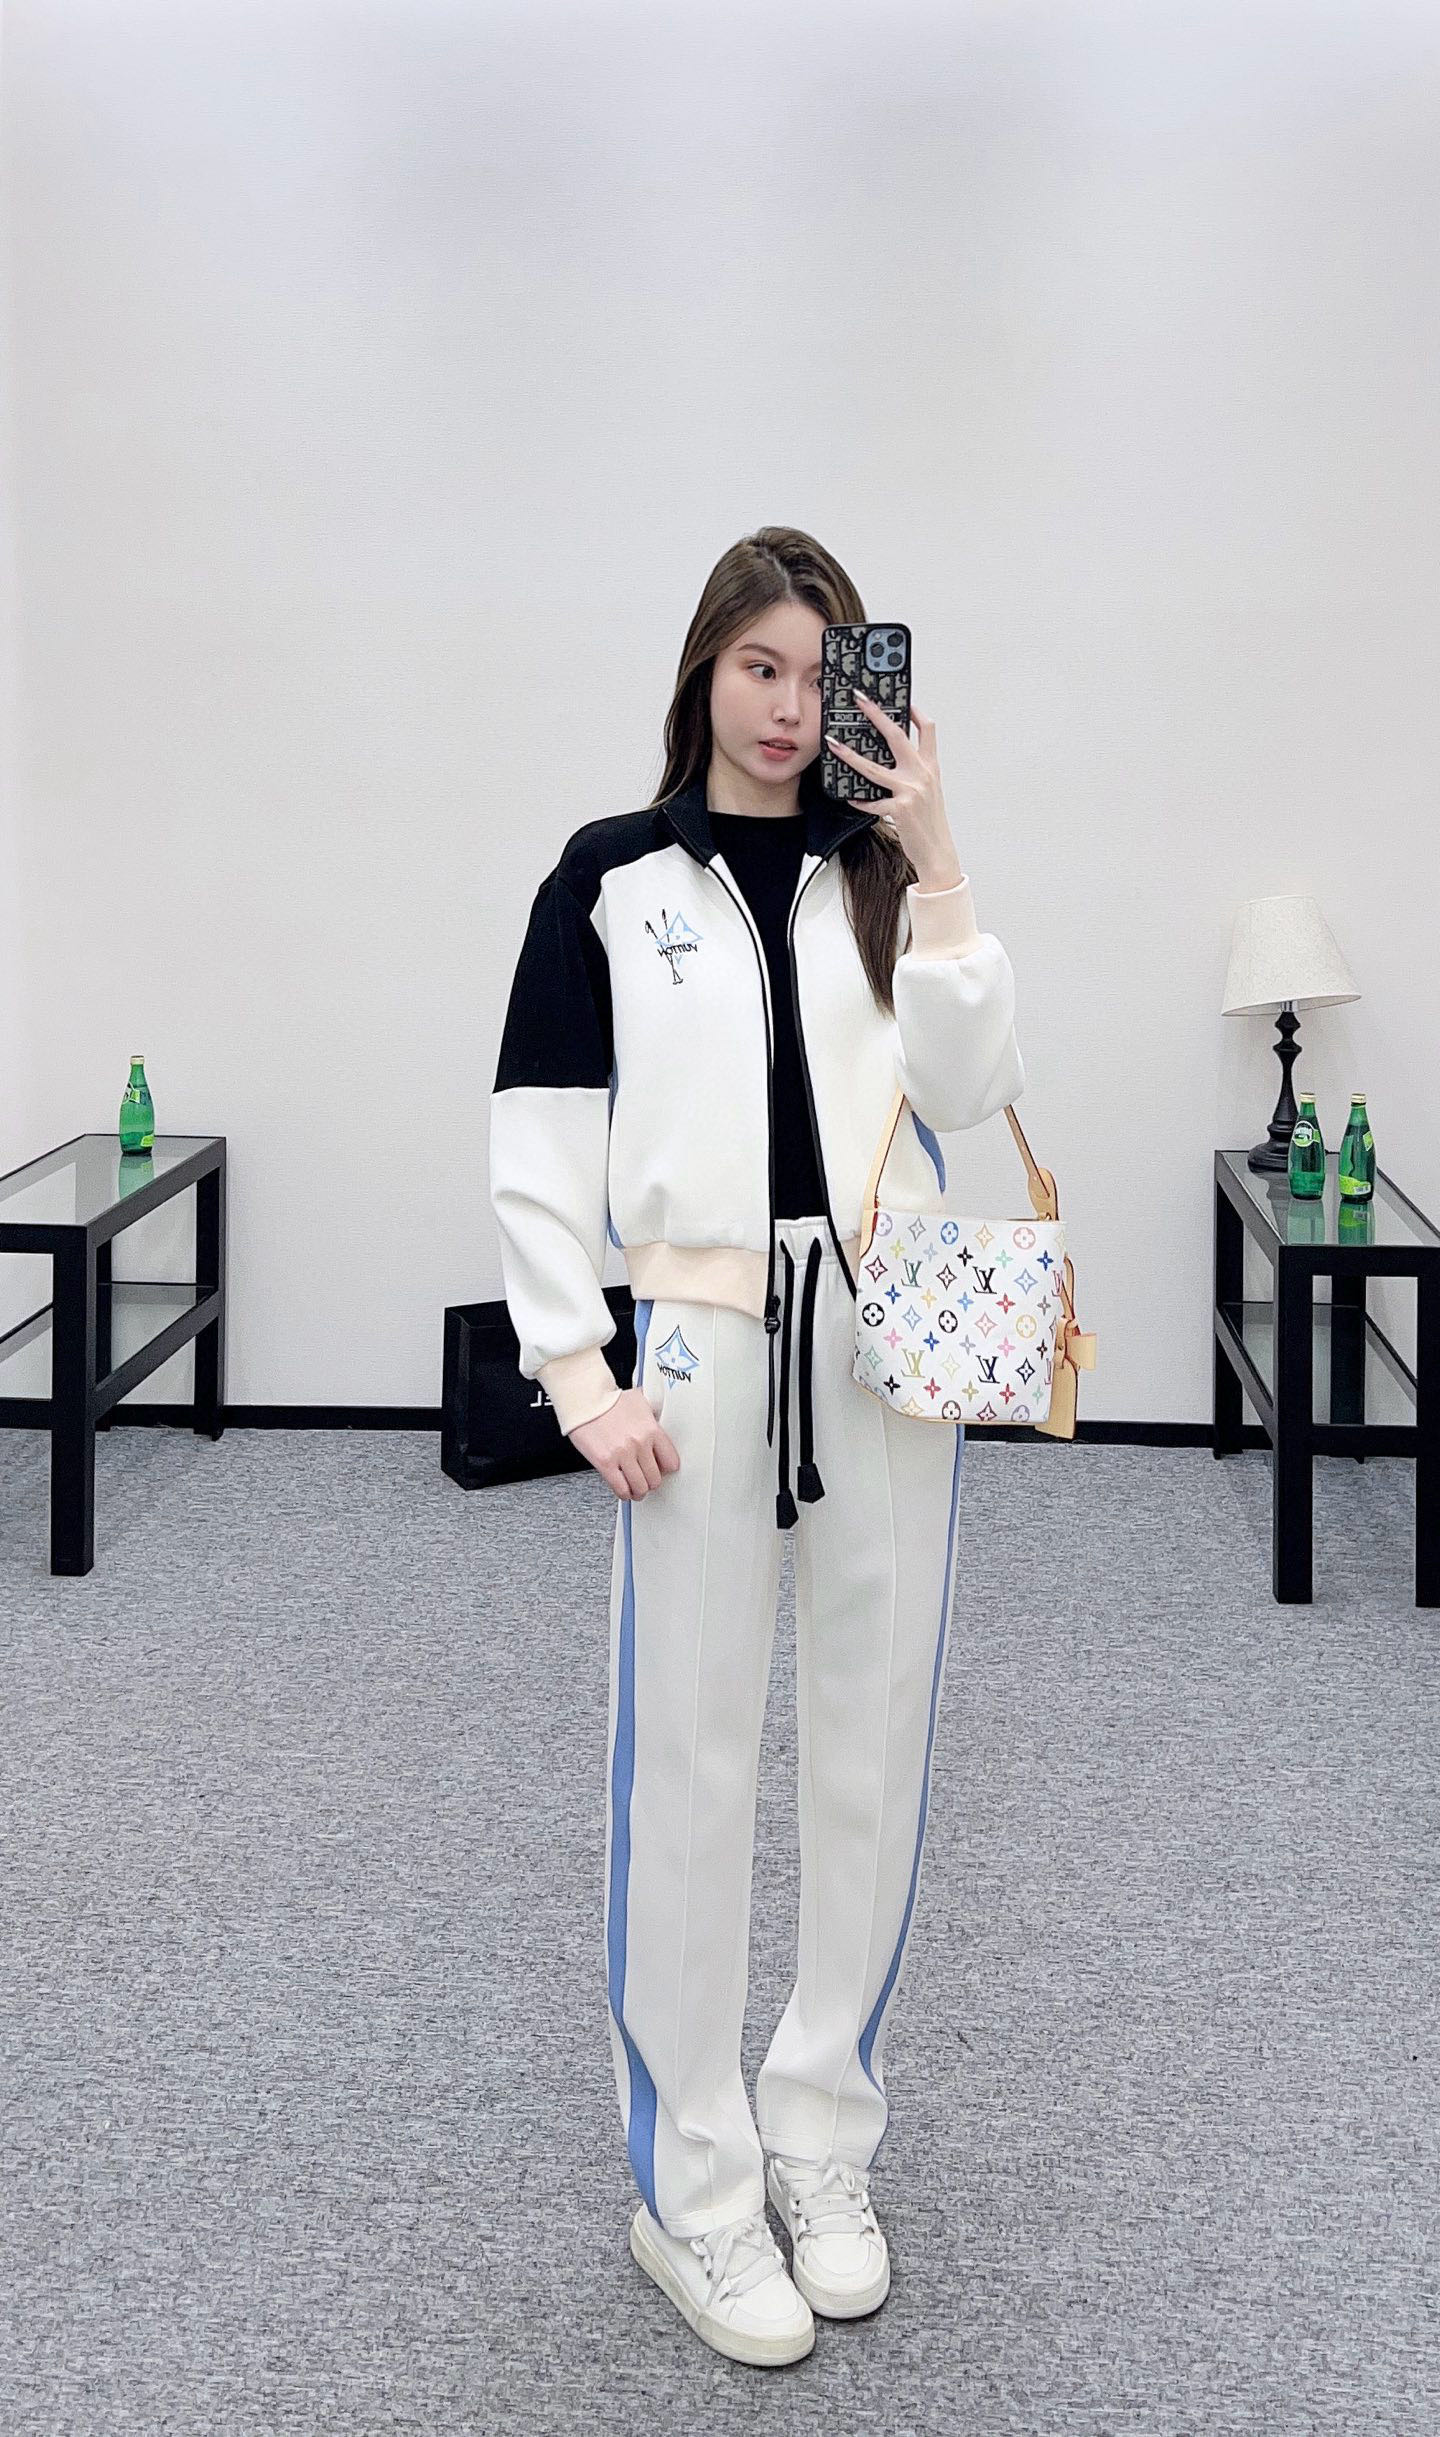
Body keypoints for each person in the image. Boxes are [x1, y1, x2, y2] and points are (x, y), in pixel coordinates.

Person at [488, 526, 1025, 2368]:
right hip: (704, 1357)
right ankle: (695, 2193)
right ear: (706, 668)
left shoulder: (887, 880)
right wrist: (581, 1374)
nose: (791, 709)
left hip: (887, 1353)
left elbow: (970, 1090)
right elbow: (543, 1131)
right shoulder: (613, 878)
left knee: (872, 1759)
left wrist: (938, 858)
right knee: (693, 1770)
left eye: (819, 673)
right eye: (761, 668)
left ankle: (823, 2141)